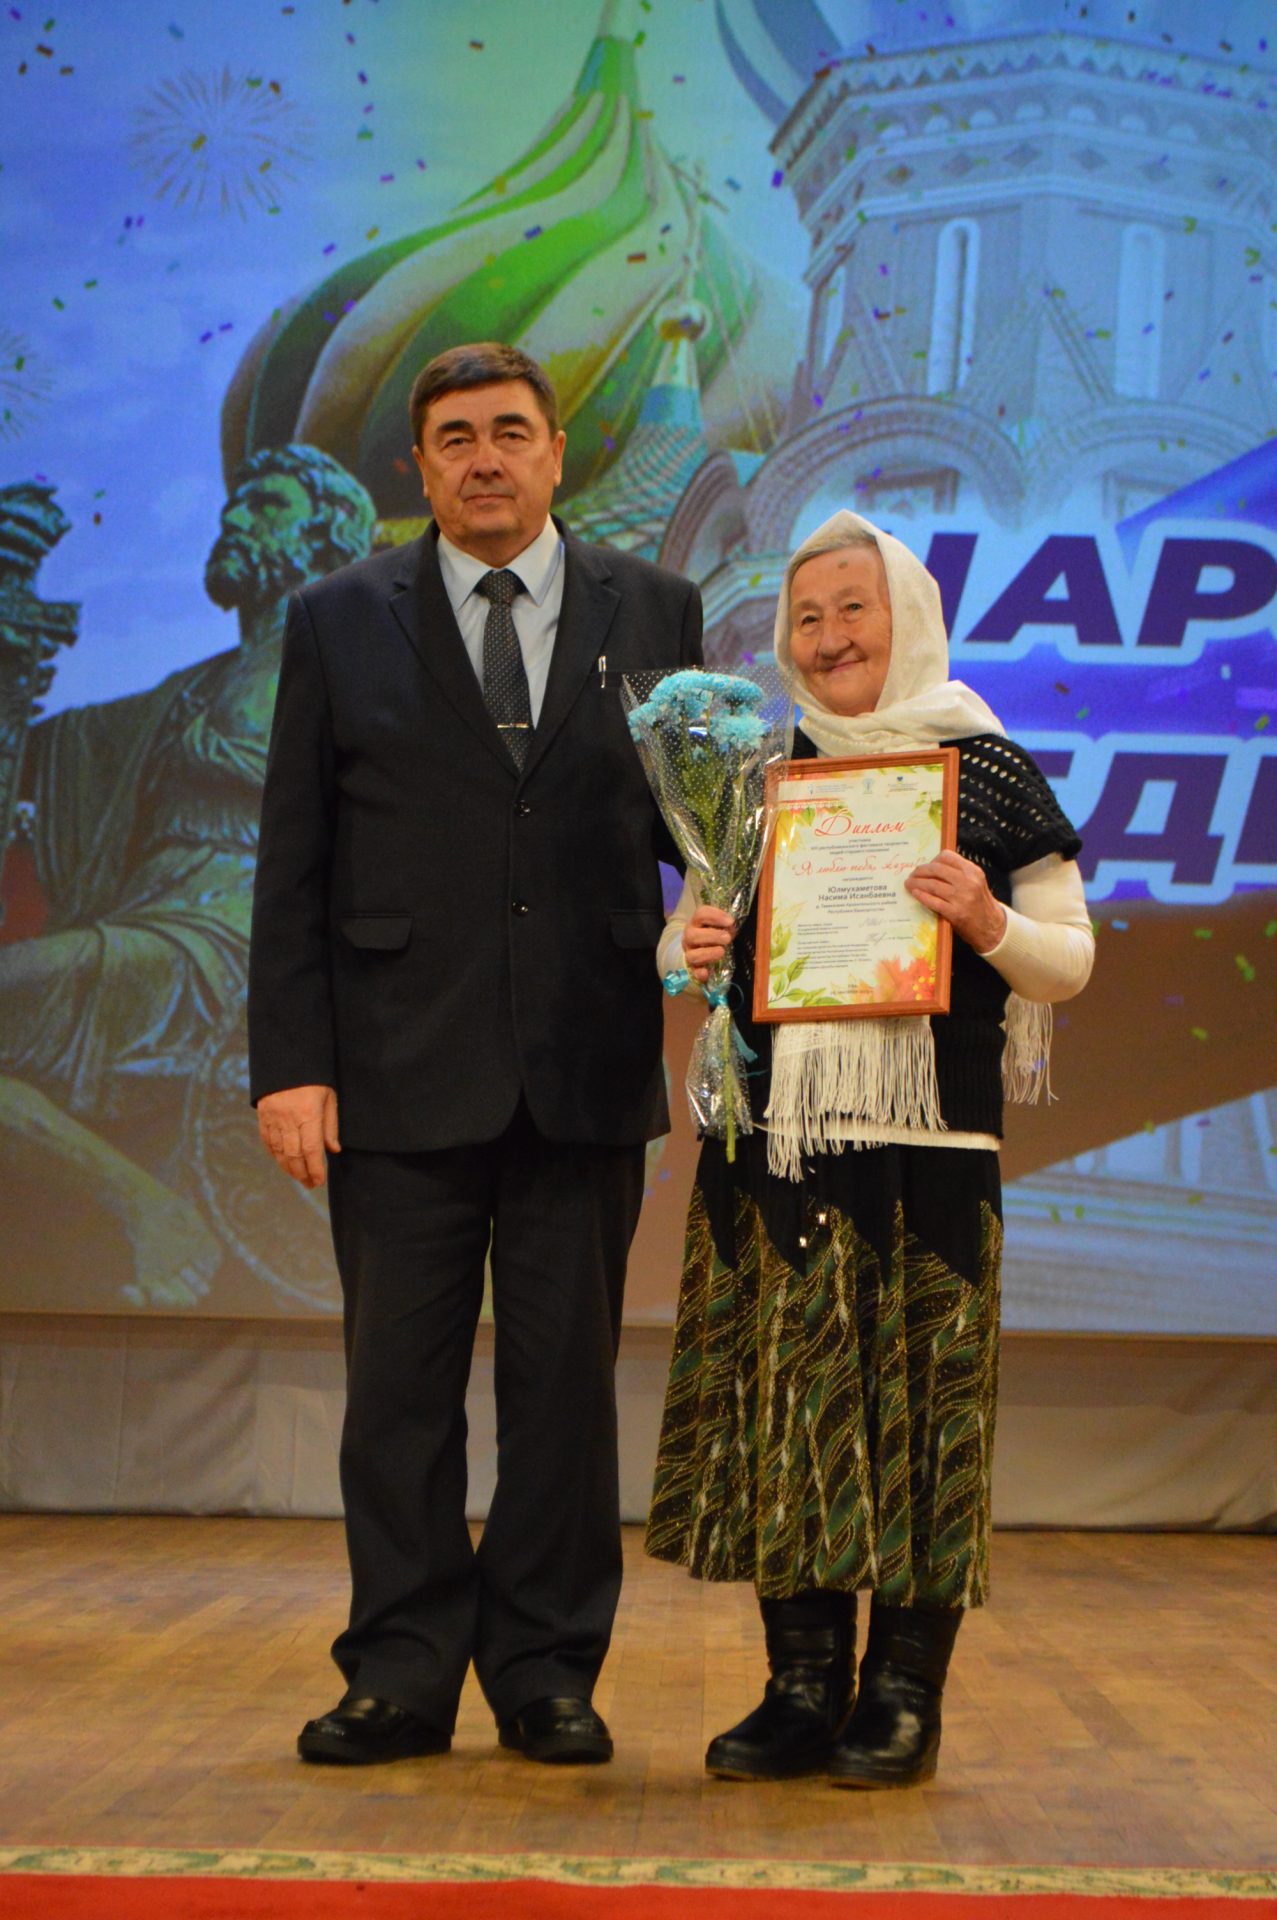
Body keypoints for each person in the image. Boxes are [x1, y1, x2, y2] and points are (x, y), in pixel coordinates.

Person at [248, 341, 702, 1767]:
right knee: (397, 1398)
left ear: (556, 453)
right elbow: (292, 865)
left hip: (585, 1059)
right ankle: (397, 1672)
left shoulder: (659, 607)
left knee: (562, 1396)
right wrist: (290, 1064)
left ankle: (547, 1673)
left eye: (510, 431)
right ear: (420, 466)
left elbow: (696, 829)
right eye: (455, 438)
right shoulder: (335, 618)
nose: (485, 458)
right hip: (393, 1069)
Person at [645, 510, 1094, 1787]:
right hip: (778, 1144)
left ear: (909, 618)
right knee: (790, 1416)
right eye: (806, 617)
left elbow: (1066, 960)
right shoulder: (756, 777)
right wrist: (689, 949)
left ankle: (902, 1695)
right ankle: (799, 1688)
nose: (829, 636)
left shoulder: (984, 770)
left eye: (853, 608)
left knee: (923, 1416)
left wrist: (986, 920)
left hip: (927, 1148)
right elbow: (684, 942)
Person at [0, 445, 375, 1307]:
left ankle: (149, 1211)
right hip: (149, 921)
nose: (234, 517)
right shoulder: (191, 688)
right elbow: (42, 749)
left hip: (232, 943)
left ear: (324, 538)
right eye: (233, 502)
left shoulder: (358, 671)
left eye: (266, 504)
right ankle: (147, 1203)